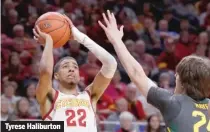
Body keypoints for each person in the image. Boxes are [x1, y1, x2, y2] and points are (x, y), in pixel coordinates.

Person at [99, 10, 210, 132]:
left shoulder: (171, 103)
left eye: (177, 76)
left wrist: (117, 41)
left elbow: (137, 74)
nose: (174, 76)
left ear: (182, 81)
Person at [33, 15, 117, 132]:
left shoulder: (90, 95)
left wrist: (80, 37)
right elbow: (45, 72)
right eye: (65, 66)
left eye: (75, 67)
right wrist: (49, 43)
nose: (71, 69)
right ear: (56, 75)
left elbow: (111, 64)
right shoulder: (50, 97)